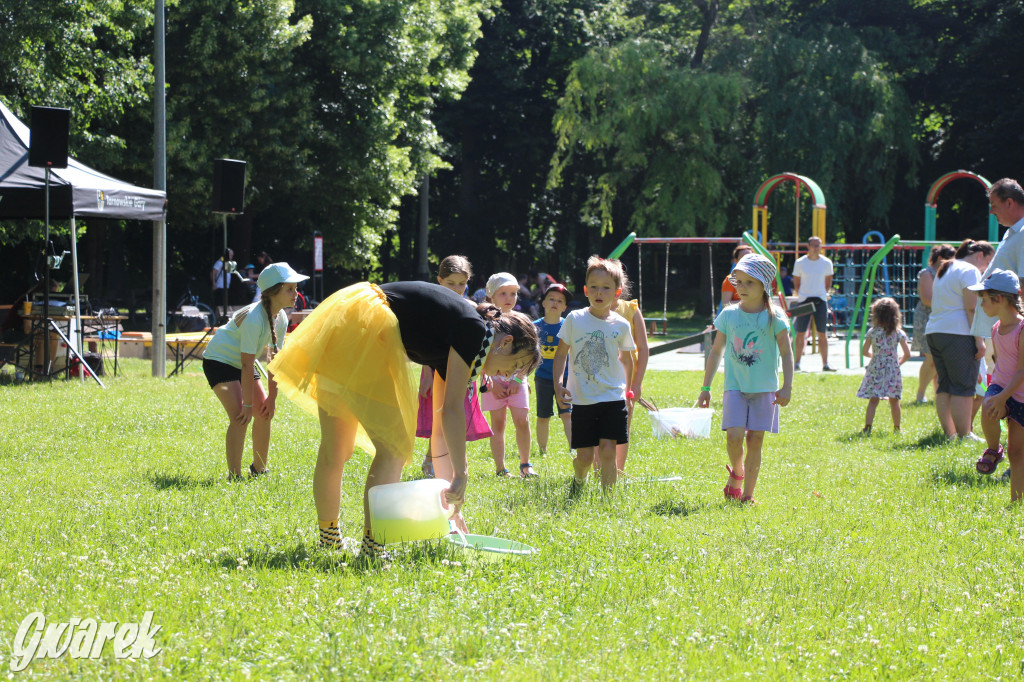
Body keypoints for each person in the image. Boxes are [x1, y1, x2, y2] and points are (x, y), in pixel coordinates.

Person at [267, 280, 540, 556]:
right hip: (365, 324)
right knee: (393, 448)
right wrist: (462, 475)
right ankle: (373, 547)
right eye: (515, 366)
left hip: (349, 316)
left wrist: (452, 496)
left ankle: (329, 540)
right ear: (505, 343)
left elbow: (443, 424)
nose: (508, 376)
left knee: (336, 447)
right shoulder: (475, 332)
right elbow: (453, 410)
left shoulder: (465, 337)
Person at [698, 253, 793, 504]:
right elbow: (716, 350)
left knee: (755, 439)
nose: (741, 287)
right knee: (734, 436)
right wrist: (705, 387)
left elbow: (786, 352)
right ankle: (738, 472)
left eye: (749, 282)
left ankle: (748, 495)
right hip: (735, 387)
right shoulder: (729, 315)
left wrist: (787, 386)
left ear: (765, 285)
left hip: (765, 390)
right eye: (738, 281)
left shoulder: (774, 318)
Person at [202, 263, 308, 479]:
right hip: (219, 361)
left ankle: (259, 469)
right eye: (289, 289)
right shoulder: (254, 318)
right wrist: (248, 405)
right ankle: (235, 476)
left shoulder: (280, 318)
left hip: (242, 364)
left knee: (264, 413)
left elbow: (273, 360)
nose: (295, 294)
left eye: (295, 288)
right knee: (241, 416)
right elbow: (247, 364)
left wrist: (273, 397)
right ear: (272, 291)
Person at [553, 257, 636, 492]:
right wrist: (559, 384)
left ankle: (608, 500)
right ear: (585, 289)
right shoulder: (574, 319)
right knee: (585, 457)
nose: (599, 292)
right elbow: (561, 355)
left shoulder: (621, 325)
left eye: (606, 287)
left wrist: (628, 393)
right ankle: (579, 480)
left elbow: (627, 361)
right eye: (594, 286)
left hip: (613, 396)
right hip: (583, 399)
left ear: (617, 293)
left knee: (609, 450)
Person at [417, 256, 492, 477]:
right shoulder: (433, 307)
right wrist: (426, 374)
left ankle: (456, 462)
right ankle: (431, 459)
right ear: (439, 280)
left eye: (462, 283)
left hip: (463, 373)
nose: (457, 289)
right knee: (438, 418)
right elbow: (426, 346)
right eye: (451, 283)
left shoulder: (471, 308)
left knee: (457, 418)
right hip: (438, 371)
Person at [925, 239, 994, 440]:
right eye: (987, 262)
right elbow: (971, 308)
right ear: (980, 255)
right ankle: (965, 434)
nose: (986, 269)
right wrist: (979, 340)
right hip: (958, 334)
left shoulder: (946, 269)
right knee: (963, 386)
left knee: (945, 385)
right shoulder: (970, 271)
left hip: (935, 331)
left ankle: (950, 433)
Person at [481, 272, 537, 478]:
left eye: (513, 293)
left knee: (522, 420)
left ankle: (526, 465)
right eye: (503, 293)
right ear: (491, 296)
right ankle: (500, 468)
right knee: (498, 424)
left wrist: (517, 379)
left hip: (517, 380)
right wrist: (489, 382)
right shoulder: (485, 322)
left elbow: (531, 354)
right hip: (492, 382)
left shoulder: (522, 321)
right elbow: (480, 358)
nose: (509, 298)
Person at [974, 270, 1024, 499]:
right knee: (988, 405)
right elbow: (999, 362)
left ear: (1000, 299)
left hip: (1019, 393)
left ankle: (1016, 500)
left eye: (984, 299)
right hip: (1001, 388)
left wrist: (1005, 396)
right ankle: (993, 449)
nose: (982, 305)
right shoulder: (995, 329)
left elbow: (1022, 370)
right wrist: (999, 395)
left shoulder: (1021, 329)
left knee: (1017, 453)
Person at [594, 273, 650, 473]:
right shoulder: (593, 311)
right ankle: (598, 469)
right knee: (597, 426)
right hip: (598, 380)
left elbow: (643, 349)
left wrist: (636, 383)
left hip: (626, 381)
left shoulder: (631, 310)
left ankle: (618, 470)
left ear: (619, 288)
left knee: (622, 428)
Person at [970, 179, 1024, 340]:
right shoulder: (1013, 232)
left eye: (994, 205)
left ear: (1009, 202)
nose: (991, 212)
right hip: (1000, 330)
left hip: (1009, 333)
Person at [857, 297, 911, 434]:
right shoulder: (898, 333)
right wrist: (897, 363)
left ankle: (867, 427)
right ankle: (897, 428)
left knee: (873, 400)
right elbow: (907, 354)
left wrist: (875, 357)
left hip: (876, 368)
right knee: (894, 400)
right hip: (892, 369)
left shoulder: (873, 332)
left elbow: (864, 351)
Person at [533, 283, 573, 456]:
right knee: (543, 416)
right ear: (543, 303)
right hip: (542, 378)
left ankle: (573, 448)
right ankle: (542, 450)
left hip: (564, 378)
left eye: (559, 301)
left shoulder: (568, 326)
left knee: (567, 414)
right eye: (551, 299)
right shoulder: (534, 327)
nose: (555, 303)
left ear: (564, 307)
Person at [913, 245, 956, 404]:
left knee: (939, 360)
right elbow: (927, 300)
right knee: (931, 359)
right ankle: (920, 395)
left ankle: (938, 395)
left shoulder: (944, 274)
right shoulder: (927, 274)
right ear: (940, 258)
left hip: (940, 318)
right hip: (926, 319)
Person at [792, 236, 835, 372]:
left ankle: (825, 364)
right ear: (808, 246)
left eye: (818, 245)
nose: (816, 248)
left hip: (820, 300)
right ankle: (796, 363)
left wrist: (822, 293)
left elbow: (828, 283)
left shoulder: (826, 263)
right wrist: (803, 294)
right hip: (804, 300)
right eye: (814, 245)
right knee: (800, 333)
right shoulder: (800, 262)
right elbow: (797, 283)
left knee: (822, 333)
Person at [720, 244, 754, 310]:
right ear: (736, 261)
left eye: (750, 258)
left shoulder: (758, 278)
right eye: (743, 258)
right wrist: (748, 301)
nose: (747, 261)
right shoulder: (730, 279)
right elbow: (726, 304)